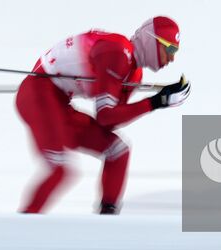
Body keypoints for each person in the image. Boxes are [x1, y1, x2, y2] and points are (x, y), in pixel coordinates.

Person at [15, 16, 190, 214]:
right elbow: (106, 116)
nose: (172, 57)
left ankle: (107, 219)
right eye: (170, 49)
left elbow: (108, 122)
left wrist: (156, 103)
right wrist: (155, 102)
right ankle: (23, 224)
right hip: (39, 94)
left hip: (59, 103)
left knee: (118, 151)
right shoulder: (118, 52)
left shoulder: (134, 74)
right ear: (152, 41)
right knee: (60, 169)